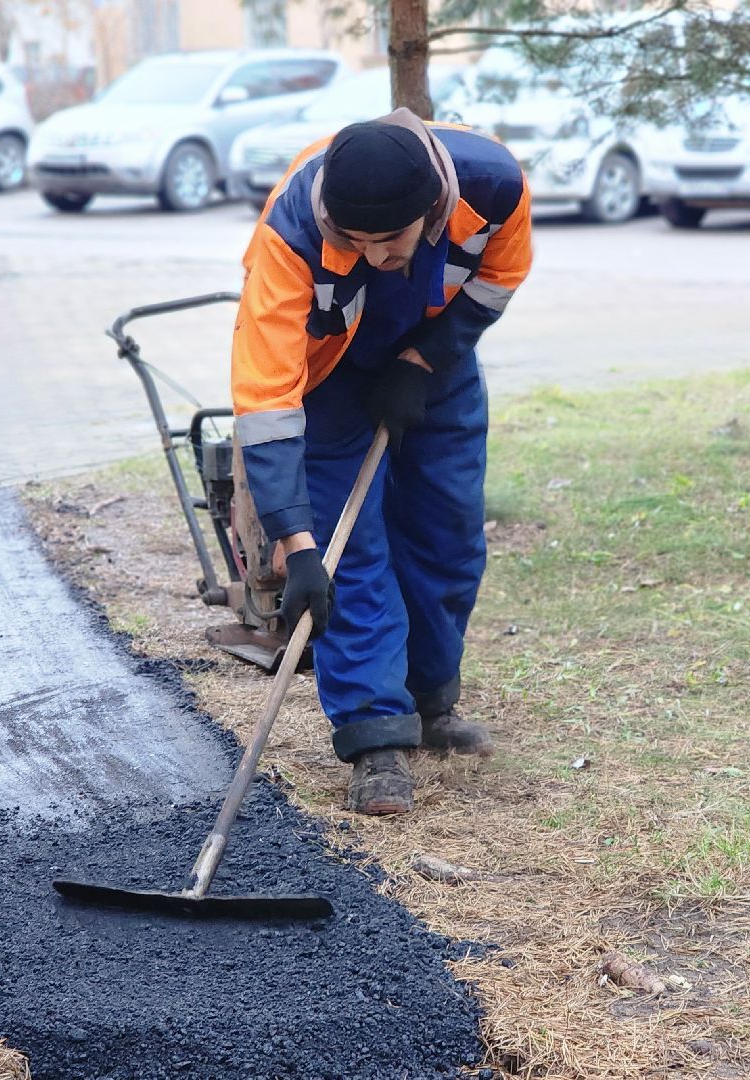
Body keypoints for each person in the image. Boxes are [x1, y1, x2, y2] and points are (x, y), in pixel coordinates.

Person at [231, 107, 533, 815]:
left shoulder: (492, 185)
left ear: (430, 211)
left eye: (387, 240)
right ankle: (376, 739)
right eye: (352, 240)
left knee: (447, 533)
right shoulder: (289, 233)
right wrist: (296, 543)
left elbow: (500, 275)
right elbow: (266, 393)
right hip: (326, 376)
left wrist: (425, 360)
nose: (371, 256)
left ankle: (430, 704)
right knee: (347, 555)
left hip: (433, 362)